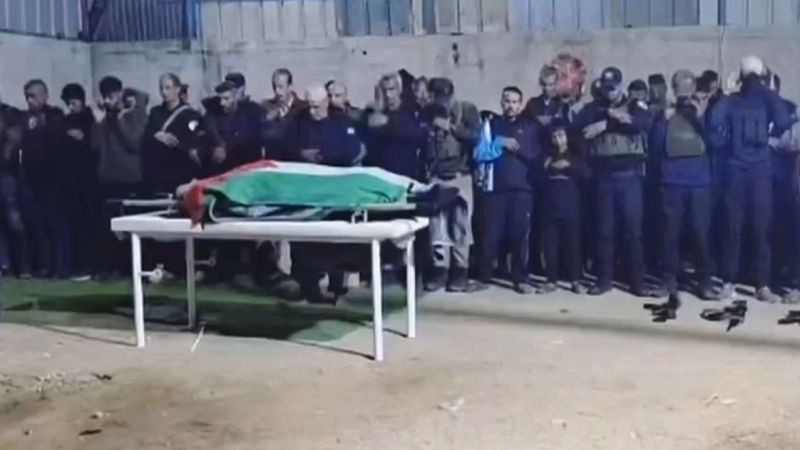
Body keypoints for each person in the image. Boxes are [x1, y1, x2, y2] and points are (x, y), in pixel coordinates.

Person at [708, 56, 792, 303]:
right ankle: (758, 284)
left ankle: (733, 282)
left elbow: (712, 124)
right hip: (755, 170)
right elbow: (784, 121)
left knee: (737, 228)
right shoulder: (762, 99)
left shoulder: (735, 100)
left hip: (741, 170)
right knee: (755, 228)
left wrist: (726, 147)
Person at [573, 67, 653, 297]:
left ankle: (637, 282)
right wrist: (607, 118)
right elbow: (579, 130)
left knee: (633, 232)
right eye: (606, 88)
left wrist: (606, 124)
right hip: (604, 177)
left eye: (613, 87)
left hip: (630, 176)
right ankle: (604, 280)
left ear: (620, 85)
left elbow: (641, 124)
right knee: (605, 232)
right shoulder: (592, 108)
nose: (610, 92)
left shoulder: (635, 105)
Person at [289, 85, 364, 301]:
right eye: (309, 106)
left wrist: (324, 156)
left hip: (334, 189)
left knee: (335, 240)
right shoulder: (299, 121)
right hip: (307, 189)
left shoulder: (341, 121)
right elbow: (285, 145)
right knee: (304, 242)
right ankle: (309, 288)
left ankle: (336, 286)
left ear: (325, 103)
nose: (312, 111)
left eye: (316, 107)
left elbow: (352, 150)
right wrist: (301, 154)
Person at [650, 70, 716, 303]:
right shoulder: (665, 114)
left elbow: (715, 143)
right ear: (674, 88)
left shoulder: (704, 111)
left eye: (688, 86)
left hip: (699, 182)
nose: (685, 92)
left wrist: (702, 117)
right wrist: (663, 121)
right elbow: (655, 146)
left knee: (701, 233)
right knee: (670, 234)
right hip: (672, 181)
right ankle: (668, 281)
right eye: (680, 87)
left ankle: (705, 281)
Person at [421, 77, 484, 293]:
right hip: (436, 176)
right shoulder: (428, 113)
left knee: (460, 225)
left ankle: (460, 272)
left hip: (460, 175)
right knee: (436, 226)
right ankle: (440, 270)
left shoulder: (466, 110)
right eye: (435, 96)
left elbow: (475, 137)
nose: (440, 101)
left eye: (442, 96)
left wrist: (451, 127)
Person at [476, 86, 540, 294]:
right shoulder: (491, 125)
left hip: (522, 190)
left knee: (520, 236)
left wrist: (515, 145)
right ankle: (484, 277)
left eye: (514, 102)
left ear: (520, 105)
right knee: (490, 235)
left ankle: (521, 279)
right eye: (507, 101)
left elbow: (534, 156)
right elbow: (479, 154)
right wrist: (498, 143)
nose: (510, 105)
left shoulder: (530, 126)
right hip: (495, 189)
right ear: (501, 103)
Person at [91, 76, 149, 278]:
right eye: (106, 96)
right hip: (108, 177)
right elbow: (95, 147)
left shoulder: (135, 112)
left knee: (131, 227)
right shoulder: (105, 117)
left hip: (130, 178)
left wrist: (120, 118)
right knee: (108, 227)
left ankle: (134, 267)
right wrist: (98, 123)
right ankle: (112, 267)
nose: (110, 100)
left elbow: (134, 142)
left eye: (113, 95)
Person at [19, 79, 70, 278]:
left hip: (52, 178)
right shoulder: (25, 118)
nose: (29, 101)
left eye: (33, 96)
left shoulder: (54, 115)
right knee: (39, 225)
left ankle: (61, 266)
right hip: (32, 178)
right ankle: (46, 265)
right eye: (27, 97)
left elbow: (55, 142)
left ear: (44, 95)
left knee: (57, 224)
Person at [539, 119, 588, 294]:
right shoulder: (546, 156)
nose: (557, 140)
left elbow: (587, 174)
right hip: (550, 207)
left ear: (567, 136)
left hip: (570, 207)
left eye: (560, 135)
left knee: (573, 245)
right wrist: (546, 166)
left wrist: (570, 165)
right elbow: (537, 177)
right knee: (550, 246)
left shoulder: (576, 155)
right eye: (554, 136)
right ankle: (551, 280)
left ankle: (575, 280)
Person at [766, 73, 800, 304]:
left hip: (788, 183)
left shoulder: (789, 110)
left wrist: (767, 142)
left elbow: (790, 142)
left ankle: (794, 283)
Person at [141, 73, 204, 195]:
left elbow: (192, 140)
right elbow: (145, 138)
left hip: (180, 171)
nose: (164, 92)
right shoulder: (155, 113)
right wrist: (157, 136)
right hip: (158, 172)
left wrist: (171, 140)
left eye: (168, 88)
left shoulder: (190, 115)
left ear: (177, 89)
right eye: (161, 88)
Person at [61, 83, 99, 281]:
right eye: (68, 102)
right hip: (71, 181)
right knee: (75, 224)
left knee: (88, 223)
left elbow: (95, 146)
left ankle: (90, 265)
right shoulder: (66, 121)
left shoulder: (90, 120)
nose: (70, 106)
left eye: (73, 102)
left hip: (89, 181)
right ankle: (79, 265)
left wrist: (82, 138)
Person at [364, 73, 425, 179]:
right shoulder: (375, 112)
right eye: (384, 91)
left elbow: (418, 136)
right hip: (381, 174)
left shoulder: (411, 109)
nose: (388, 95)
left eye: (391, 89)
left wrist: (390, 122)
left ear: (399, 90)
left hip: (405, 174)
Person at [204, 80, 265, 174]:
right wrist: (219, 144)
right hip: (225, 169)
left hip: (248, 166)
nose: (222, 103)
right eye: (220, 99)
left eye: (226, 99)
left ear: (235, 96)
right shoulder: (214, 114)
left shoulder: (251, 111)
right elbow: (209, 128)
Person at [0, 96, 25, 276]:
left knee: (14, 220)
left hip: (7, 174)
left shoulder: (9, 113)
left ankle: (22, 264)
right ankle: (5, 264)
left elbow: (14, 141)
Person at [262, 68, 306, 160]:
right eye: (274, 87)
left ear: (290, 86)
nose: (277, 91)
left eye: (281, 87)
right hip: (274, 161)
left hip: (295, 162)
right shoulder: (266, 107)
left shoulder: (303, 108)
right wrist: (268, 120)